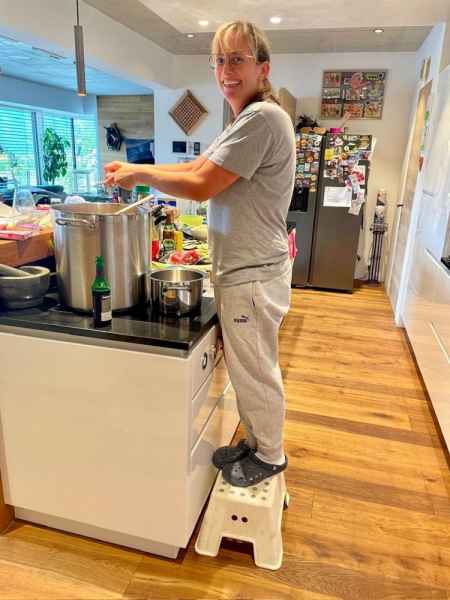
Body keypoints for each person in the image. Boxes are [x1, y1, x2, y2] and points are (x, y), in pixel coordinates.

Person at [104, 20, 296, 487]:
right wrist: (136, 167)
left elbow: (202, 185)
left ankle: (270, 454)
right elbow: (195, 166)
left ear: (263, 68)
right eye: (220, 60)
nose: (227, 70)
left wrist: (139, 174)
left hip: (252, 272)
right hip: (245, 269)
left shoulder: (262, 119)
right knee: (247, 367)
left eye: (238, 59)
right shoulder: (244, 120)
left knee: (256, 369)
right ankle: (256, 441)